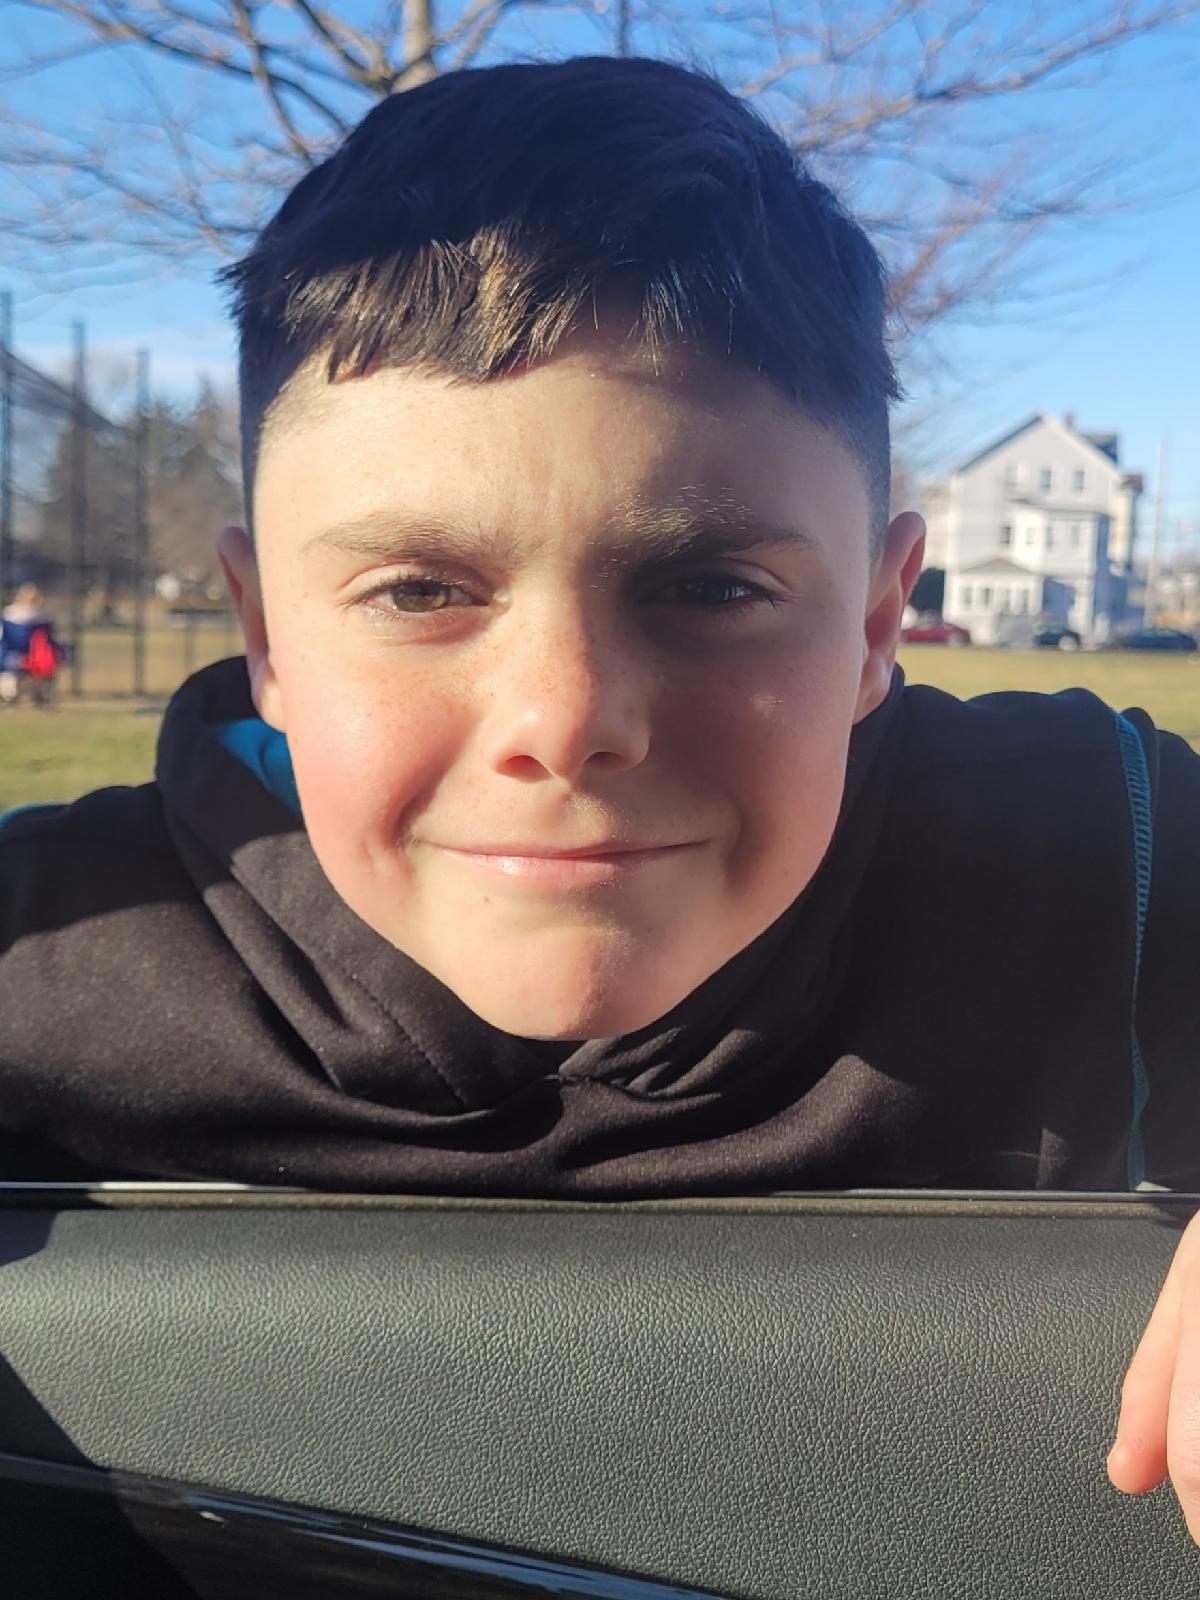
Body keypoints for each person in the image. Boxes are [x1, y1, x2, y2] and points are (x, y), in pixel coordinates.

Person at [0, 55, 1197, 1529]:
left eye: (712, 586)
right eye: (419, 589)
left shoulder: (1110, 855)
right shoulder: (42, 952)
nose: (565, 723)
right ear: (265, 636)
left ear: (880, 622)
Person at [0, 584, 64, 704]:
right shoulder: (42, 618)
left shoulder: (8, 613)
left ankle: (11, 692)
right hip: (35, 659)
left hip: (11, 657)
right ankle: (39, 693)